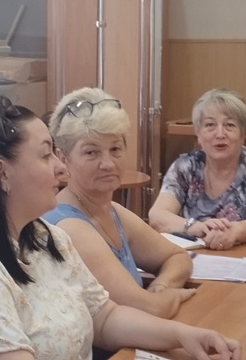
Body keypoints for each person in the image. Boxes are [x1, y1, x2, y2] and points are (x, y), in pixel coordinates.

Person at [0, 94, 240, 360]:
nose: (60, 168)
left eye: (115, 149)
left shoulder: (46, 237)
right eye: (46, 155)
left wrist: (183, 335)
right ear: (1, 173)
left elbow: (105, 318)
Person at [44, 87, 195, 319]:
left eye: (115, 149)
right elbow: (148, 309)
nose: (108, 164)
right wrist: (166, 298)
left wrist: (160, 288)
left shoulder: (111, 210)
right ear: (63, 158)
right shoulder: (67, 225)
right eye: (91, 152)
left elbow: (178, 257)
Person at [149, 88, 246, 250]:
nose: (220, 134)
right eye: (210, 125)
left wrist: (235, 231)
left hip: (243, 255)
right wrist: (195, 227)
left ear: (242, 135)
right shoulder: (186, 166)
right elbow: (157, 216)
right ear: (198, 134)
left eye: (229, 125)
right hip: (194, 257)